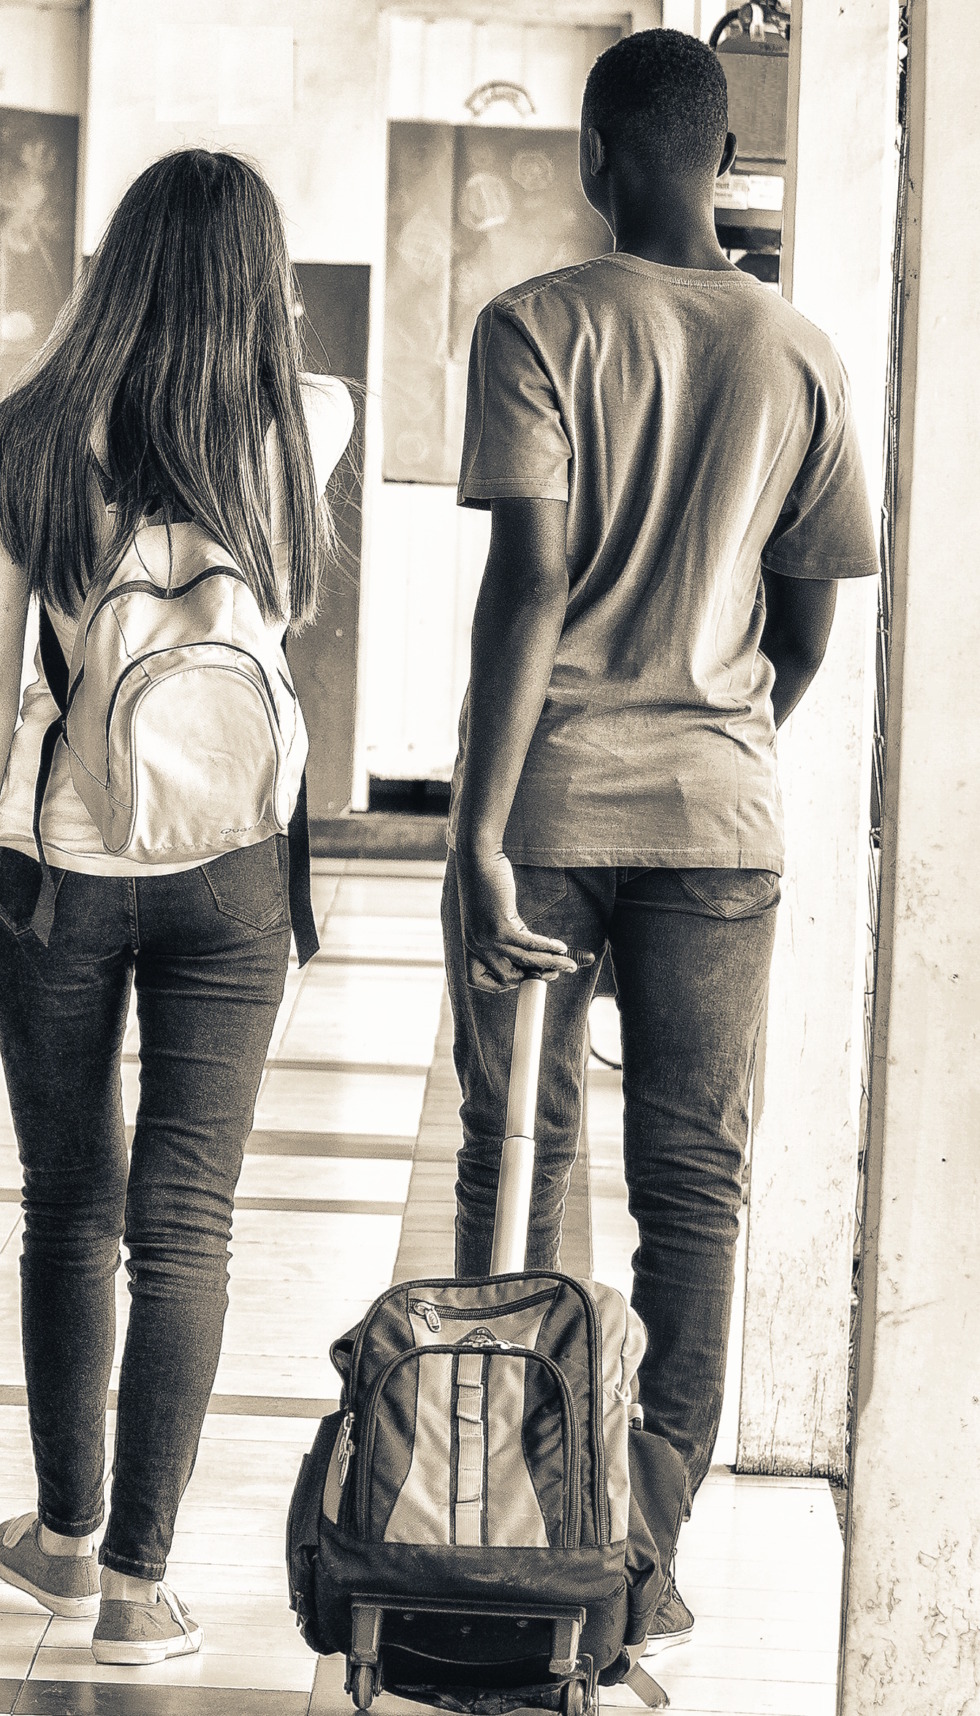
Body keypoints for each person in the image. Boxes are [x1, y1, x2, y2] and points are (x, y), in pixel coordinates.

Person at [442, 28, 878, 1651]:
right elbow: (812, 623)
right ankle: (637, 1554)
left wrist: (476, 829)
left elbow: (528, 584)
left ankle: (503, 1536)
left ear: (596, 155)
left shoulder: (537, 325)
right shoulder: (804, 352)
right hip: (719, 813)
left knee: (519, 1164)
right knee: (695, 1188)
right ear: (720, 156)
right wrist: (724, 737)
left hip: (548, 805)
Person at [0, 150, 354, 1666]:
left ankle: (62, 1533)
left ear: (109, 264)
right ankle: (140, 1585)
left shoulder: (28, 439)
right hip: (234, 867)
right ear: (263, 276)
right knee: (188, 1223)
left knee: (69, 1207)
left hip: (63, 864)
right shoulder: (304, 424)